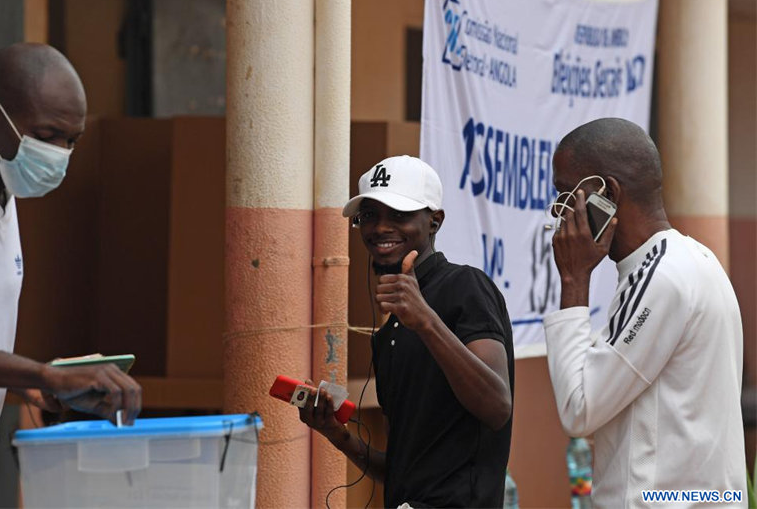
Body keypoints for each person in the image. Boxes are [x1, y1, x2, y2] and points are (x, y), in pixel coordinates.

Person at [0, 43, 142, 507]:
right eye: (47, 135)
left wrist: (37, 384)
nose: (58, 154)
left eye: (71, 141)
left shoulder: (4, 192)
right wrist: (42, 373)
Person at [544, 118, 746, 506]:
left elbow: (579, 410)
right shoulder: (696, 261)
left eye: (567, 195)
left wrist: (573, 280)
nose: (559, 212)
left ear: (608, 193)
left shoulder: (660, 277)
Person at [299, 155, 514, 508]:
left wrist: (425, 321)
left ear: (434, 221)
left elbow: (497, 406)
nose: (380, 228)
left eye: (398, 215)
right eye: (368, 215)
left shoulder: (465, 287)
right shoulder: (390, 332)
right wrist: (336, 434)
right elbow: (401, 471)